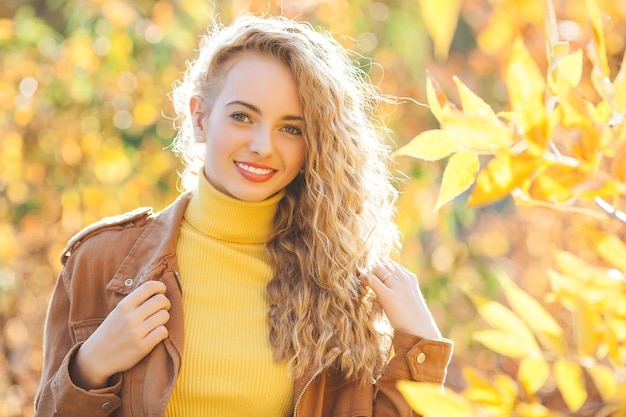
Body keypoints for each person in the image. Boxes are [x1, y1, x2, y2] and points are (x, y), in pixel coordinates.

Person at [35, 14, 453, 417]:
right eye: (242, 116)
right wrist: (88, 369)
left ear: (314, 145)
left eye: (291, 128)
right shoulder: (100, 263)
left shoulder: (341, 290)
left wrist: (421, 347)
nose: (262, 145)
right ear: (200, 118)